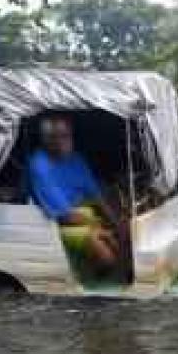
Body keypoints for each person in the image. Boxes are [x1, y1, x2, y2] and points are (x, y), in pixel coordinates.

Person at [27, 116, 122, 271]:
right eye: (59, 137)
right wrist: (102, 228)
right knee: (107, 258)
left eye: (68, 135)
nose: (66, 141)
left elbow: (97, 195)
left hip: (78, 211)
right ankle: (88, 270)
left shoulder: (75, 158)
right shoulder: (39, 166)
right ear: (46, 140)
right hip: (53, 223)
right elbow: (65, 217)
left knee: (117, 202)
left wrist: (116, 223)